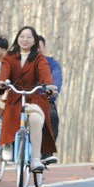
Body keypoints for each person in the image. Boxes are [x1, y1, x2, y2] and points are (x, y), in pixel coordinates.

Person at [0, 26, 57, 173]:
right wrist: (2, 82)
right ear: (17, 38)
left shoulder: (38, 58)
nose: (25, 40)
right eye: (22, 36)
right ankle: (8, 144)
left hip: (33, 96)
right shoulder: (9, 57)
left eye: (29, 37)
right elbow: (4, 72)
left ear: (34, 40)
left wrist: (47, 85)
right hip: (14, 95)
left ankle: (36, 159)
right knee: (10, 115)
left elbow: (44, 73)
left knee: (36, 119)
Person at [38, 35, 62, 164]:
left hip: (45, 98)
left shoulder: (52, 64)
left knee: (52, 116)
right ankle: (10, 145)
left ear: (44, 48)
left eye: (39, 47)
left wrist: (51, 91)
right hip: (25, 98)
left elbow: (56, 81)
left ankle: (47, 153)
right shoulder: (22, 63)